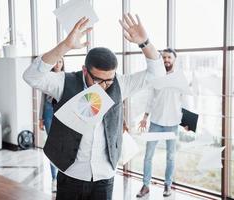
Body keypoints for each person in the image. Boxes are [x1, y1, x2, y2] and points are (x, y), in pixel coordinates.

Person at [23, 14, 165, 200]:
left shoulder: (121, 84)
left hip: (104, 174)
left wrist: (144, 43)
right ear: (85, 70)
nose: (104, 86)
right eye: (98, 80)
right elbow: (31, 76)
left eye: (109, 80)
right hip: (70, 172)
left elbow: (158, 73)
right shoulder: (64, 82)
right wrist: (65, 45)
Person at [136, 48, 189, 198]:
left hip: (172, 123)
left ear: (174, 60)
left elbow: (185, 100)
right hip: (156, 122)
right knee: (148, 155)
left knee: (171, 156)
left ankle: (168, 185)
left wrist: (187, 122)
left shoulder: (180, 78)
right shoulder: (157, 76)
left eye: (169, 57)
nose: (166, 60)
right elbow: (151, 98)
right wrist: (145, 117)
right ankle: (145, 186)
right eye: (164, 57)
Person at [38, 57, 64, 191]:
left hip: (61, 110)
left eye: (60, 62)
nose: (58, 64)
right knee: (52, 144)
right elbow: (42, 98)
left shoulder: (67, 77)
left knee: (61, 145)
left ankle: (61, 177)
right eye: (56, 61)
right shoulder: (47, 77)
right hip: (48, 110)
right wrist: (40, 118)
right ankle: (54, 178)